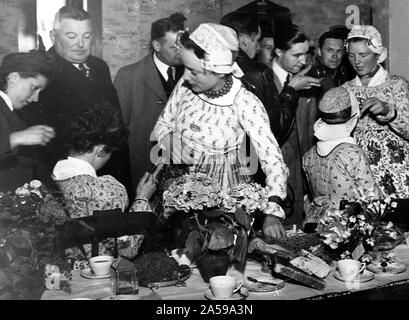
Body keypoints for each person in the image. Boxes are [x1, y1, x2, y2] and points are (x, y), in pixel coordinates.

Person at [152, 23, 289, 238]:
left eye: (194, 71)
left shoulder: (245, 103)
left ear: (219, 70)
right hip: (175, 186)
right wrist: (169, 139)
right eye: (185, 68)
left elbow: (273, 160)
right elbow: (163, 123)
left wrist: (273, 211)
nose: (186, 76)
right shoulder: (186, 85)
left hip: (221, 198)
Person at [20, 6, 132, 197]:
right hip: (70, 181)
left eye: (86, 36)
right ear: (54, 37)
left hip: (112, 174)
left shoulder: (99, 66)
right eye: (71, 36)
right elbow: (42, 143)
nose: (80, 44)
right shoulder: (41, 73)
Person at [52, 103, 159, 260]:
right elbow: (126, 250)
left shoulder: (47, 180)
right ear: (101, 150)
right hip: (99, 278)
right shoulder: (107, 189)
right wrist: (142, 199)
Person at [114, 13, 186, 192]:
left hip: (182, 169)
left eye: (182, 46)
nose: (181, 51)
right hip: (145, 173)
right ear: (156, 45)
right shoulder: (128, 76)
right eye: (174, 47)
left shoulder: (191, 74)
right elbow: (118, 132)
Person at [343, 25, 409, 198]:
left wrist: (389, 112)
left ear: (378, 55)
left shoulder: (397, 84)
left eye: (364, 55)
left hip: (396, 171)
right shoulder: (345, 90)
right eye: (351, 55)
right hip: (358, 173)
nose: (357, 61)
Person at [302, 87, 382, 225]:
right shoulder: (351, 153)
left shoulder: (308, 156)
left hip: (320, 227)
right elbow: (373, 199)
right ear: (353, 118)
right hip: (347, 229)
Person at [220, 11, 298, 147]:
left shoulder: (210, 66)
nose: (257, 48)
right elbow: (274, 130)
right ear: (244, 41)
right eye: (256, 41)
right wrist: (291, 90)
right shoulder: (258, 74)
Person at [272, 24, 322, 226]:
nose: (303, 61)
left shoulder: (306, 80)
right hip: (271, 178)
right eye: (296, 55)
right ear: (278, 52)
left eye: (306, 54)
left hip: (299, 181)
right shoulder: (262, 80)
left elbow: (309, 136)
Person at [0, 51, 55, 192]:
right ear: (13, 77)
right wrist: (15, 139)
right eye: (34, 87)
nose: (35, 98)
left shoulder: (15, 114)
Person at [309, 30, 352, 102]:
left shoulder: (348, 74)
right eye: (329, 50)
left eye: (339, 51)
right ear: (319, 51)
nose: (334, 56)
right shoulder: (309, 77)